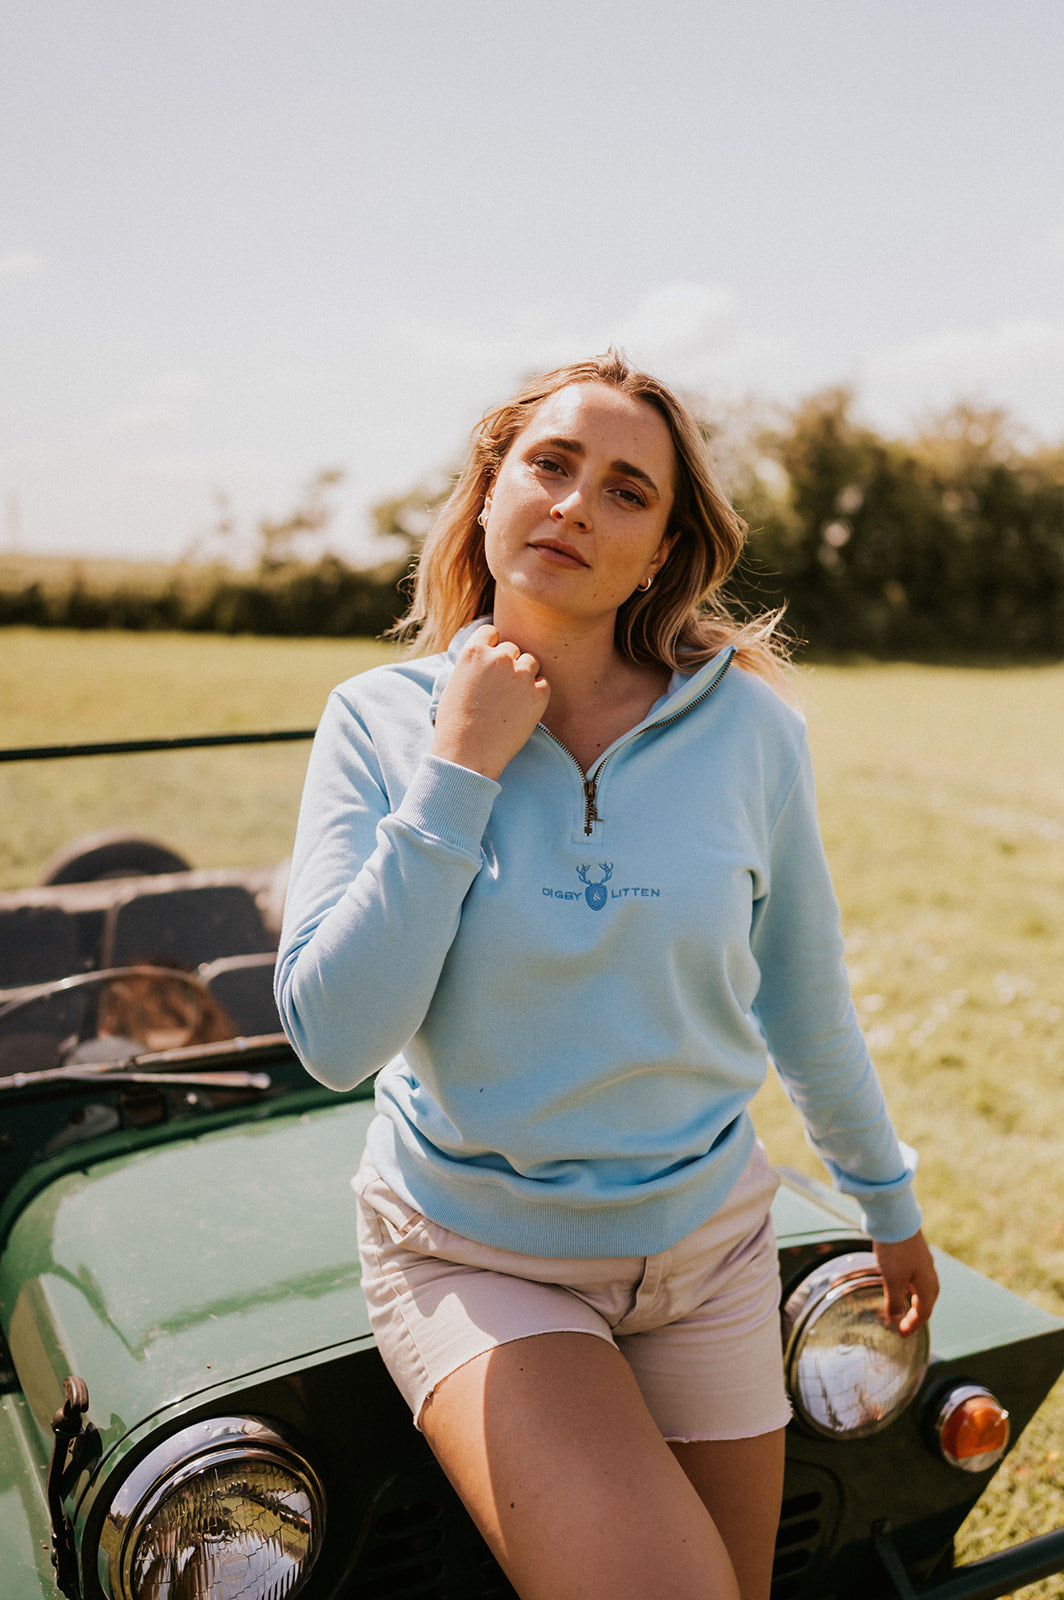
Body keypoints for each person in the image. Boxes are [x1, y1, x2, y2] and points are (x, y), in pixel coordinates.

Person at [275, 350, 938, 1600]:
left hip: (712, 1250)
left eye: (626, 491)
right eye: (551, 464)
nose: (577, 503)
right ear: (488, 495)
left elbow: (800, 995)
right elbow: (332, 1035)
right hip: (477, 1250)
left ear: (662, 553)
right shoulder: (376, 722)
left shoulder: (751, 732)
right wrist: (459, 766)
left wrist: (884, 1202)